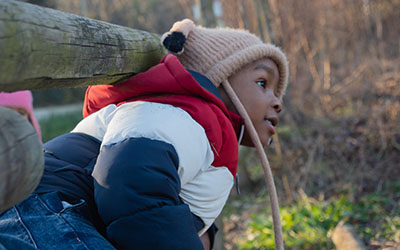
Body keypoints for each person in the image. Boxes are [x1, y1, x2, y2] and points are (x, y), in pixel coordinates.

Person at [0, 19, 288, 250]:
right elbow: (129, 178)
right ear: (218, 78)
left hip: (53, 214)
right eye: (262, 82)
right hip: (50, 212)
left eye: (278, 92)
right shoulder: (186, 112)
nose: (278, 101)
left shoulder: (201, 128)